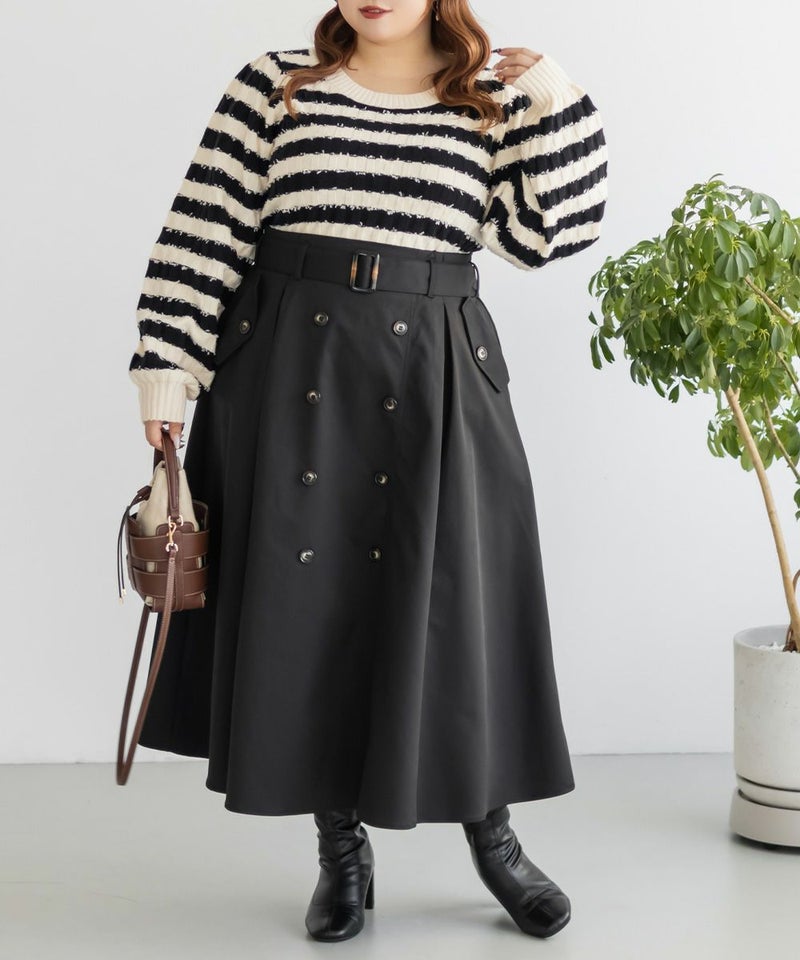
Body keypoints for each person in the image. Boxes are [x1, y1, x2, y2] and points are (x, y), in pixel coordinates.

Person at [127, 0, 608, 944]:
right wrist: (166, 368)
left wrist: (557, 100)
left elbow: (548, 234)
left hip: (438, 382)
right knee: (313, 611)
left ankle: (496, 842)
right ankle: (341, 855)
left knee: (456, 614)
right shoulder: (275, 84)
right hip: (288, 374)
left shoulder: (487, 99)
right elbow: (204, 228)